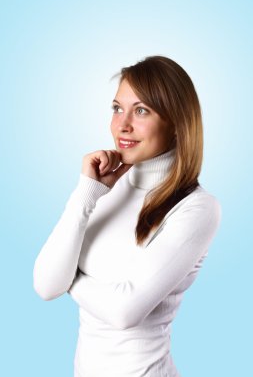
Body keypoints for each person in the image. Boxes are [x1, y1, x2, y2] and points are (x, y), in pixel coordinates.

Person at [33, 55, 221, 377]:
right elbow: (46, 285)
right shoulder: (102, 189)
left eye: (142, 110)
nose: (123, 125)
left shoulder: (197, 208)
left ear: (177, 123)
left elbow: (123, 311)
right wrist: (86, 193)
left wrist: (70, 278)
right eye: (117, 108)